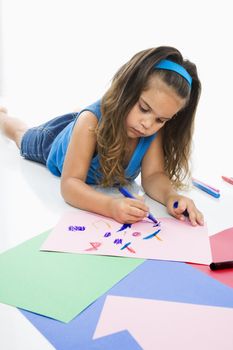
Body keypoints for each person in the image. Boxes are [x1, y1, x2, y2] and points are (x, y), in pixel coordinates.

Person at [0, 46, 204, 226]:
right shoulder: (90, 123)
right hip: (54, 138)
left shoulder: (149, 131)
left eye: (161, 120)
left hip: (91, 122)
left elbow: (153, 176)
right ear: (126, 90)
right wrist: (110, 206)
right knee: (21, 136)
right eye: (144, 108)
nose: (148, 124)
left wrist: (171, 196)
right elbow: (70, 184)